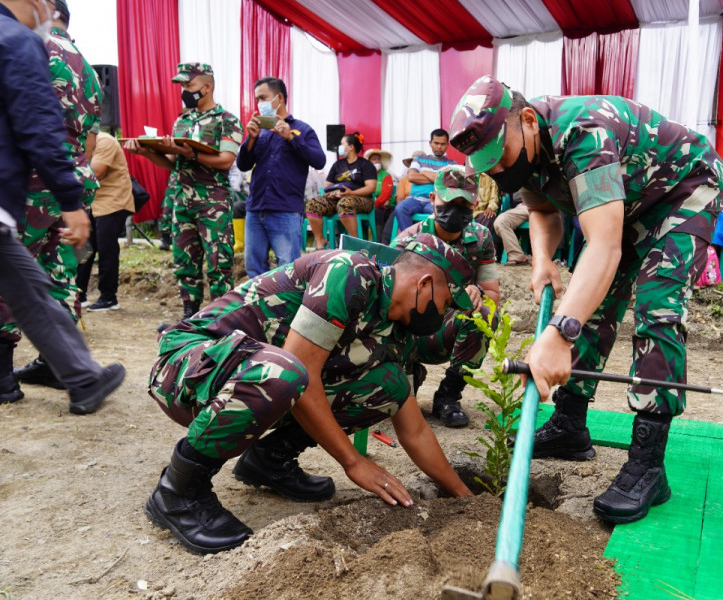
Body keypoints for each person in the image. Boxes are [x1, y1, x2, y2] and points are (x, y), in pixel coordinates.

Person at [450, 75, 723, 524]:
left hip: (680, 193)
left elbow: (605, 246)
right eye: (489, 166)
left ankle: (648, 465)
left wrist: (559, 334)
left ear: (526, 121)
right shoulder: (524, 147)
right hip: (628, 203)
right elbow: (542, 210)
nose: (499, 171)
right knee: (592, 306)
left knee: (658, 311)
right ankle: (570, 425)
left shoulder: (584, 132)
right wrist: (542, 259)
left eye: (501, 158)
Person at [144, 234, 475, 554]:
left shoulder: (394, 331)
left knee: (390, 385)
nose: (444, 314)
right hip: (189, 368)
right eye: (446, 303)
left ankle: (268, 460)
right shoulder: (349, 272)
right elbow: (302, 369)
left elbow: (414, 428)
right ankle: (178, 491)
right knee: (289, 372)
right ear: (426, 283)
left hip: (254, 380)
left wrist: (465, 499)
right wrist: (353, 461)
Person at [0, 0, 124, 412]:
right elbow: (88, 139)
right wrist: (71, 192)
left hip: (31, 181)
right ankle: (67, 370)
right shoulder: (85, 66)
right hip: (68, 176)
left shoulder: (29, 43)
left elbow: (34, 124)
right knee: (54, 275)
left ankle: (12, 373)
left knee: (20, 277)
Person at [124, 63, 242, 320]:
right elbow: (172, 164)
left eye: (189, 86)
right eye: (182, 87)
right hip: (183, 202)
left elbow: (225, 160)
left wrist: (193, 153)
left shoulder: (227, 120)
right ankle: (190, 316)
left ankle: (222, 321)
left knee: (218, 264)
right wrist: (146, 151)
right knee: (185, 263)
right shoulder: (182, 120)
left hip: (213, 203)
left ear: (207, 87)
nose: (184, 92)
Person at [391, 165, 500, 427]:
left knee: (485, 315)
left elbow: (493, 292)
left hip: (445, 331)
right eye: (449, 201)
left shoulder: (481, 237)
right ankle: (407, 373)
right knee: (396, 400)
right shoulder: (409, 240)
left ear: (475, 204)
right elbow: (388, 301)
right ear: (433, 200)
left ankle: (448, 396)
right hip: (408, 332)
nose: (456, 211)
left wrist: (479, 293)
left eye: (464, 204)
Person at [237, 77, 326, 279]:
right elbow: (243, 164)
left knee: (288, 271)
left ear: (279, 98)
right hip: (256, 208)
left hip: (285, 210)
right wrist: (250, 138)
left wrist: (291, 138)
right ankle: (259, 309)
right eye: (257, 99)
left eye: (263, 98)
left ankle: (286, 311)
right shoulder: (259, 131)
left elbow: (319, 160)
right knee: (254, 269)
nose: (260, 104)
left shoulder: (303, 129)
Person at [76, 131, 134, 311]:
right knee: (84, 248)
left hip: (113, 202)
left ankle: (109, 297)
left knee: (106, 249)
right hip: (94, 203)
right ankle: (79, 294)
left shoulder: (105, 142)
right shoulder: (79, 142)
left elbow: (96, 172)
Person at [304, 132, 376, 245]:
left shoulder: (365, 164)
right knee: (313, 204)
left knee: (345, 203)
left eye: (342, 144)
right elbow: (327, 186)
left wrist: (351, 193)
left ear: (351, 147)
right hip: (338, 198)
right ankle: (320, 240)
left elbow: (371, 187)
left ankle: (355, 242)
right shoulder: (337, 165)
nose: (340, 147)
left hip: (362, 199)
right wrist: (333, 193)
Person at [393, 129, 457, 232]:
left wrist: (424, 172)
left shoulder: (452, 164)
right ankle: (410, 241)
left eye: (443, 144)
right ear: (430, 143)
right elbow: (412, 177)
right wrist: (438, 177)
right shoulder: (418, 159)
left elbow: (449, 182)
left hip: (437, 201)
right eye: (436, 143)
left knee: (442, 215)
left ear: (447, 145)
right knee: (400, 209)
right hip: (415, 199)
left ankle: (433, 242)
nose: (439, 147)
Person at [364, 148, 395, 240]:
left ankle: (378, 243)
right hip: (366, 206)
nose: (377, 161)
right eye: (374, 159)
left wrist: (374, 205)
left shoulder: (386, 175)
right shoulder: (364, 175)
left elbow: (385, 195)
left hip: (381, 208)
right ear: (368, 162)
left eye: (378, 159)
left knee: (378, 214)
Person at [473, 172, 501, 254]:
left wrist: (490, 207)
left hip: (482, 211)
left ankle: (481, 249)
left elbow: (494, 197)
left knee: (490, 216)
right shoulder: (467, 175)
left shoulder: (491, 177)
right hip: (467, 210)